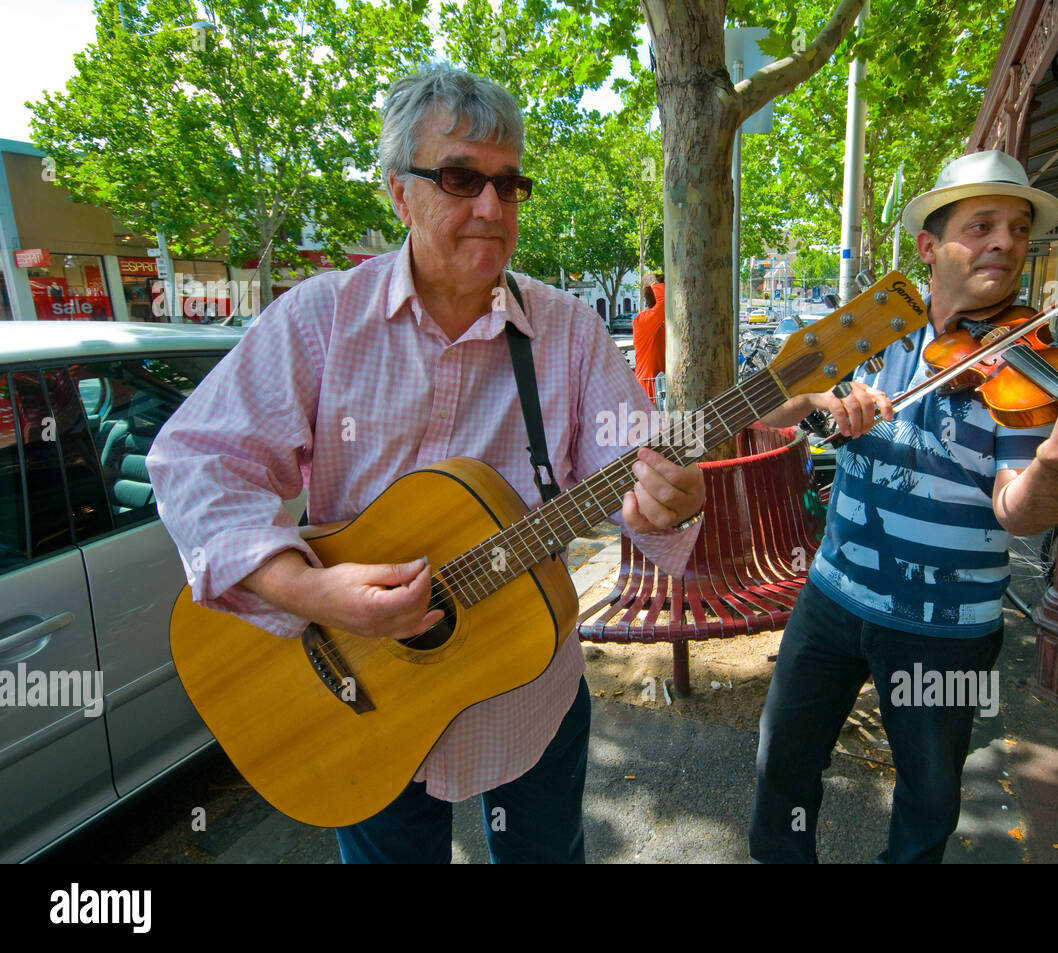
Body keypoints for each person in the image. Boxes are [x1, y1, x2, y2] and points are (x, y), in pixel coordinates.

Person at [146, 66, 705, 864]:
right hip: (363, 702)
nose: (491, 206)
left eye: (509, 185)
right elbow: (199, 462)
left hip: (527, 696)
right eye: (459, 177)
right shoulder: (321, 319)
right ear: (398, 194)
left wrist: (666, 503)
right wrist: (309, 591)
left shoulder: (571, 333)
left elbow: (634, 473)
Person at [747, 150, 1058, 863]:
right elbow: (765, 401)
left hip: (947, 627)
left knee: (928, 800)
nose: (1005, 241)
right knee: (782, 763)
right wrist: (819, 400)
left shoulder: (1033, 365)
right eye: (981, 225)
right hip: (834, 596)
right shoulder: (873, 324)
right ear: (928, 248)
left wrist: (1055, 471)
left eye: (1019, 229)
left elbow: (1018, 510)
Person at [633, 273, 666, 402]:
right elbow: (663, 303)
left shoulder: (661, 321)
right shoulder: (642, 321)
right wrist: (654, 283)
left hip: (660, 389)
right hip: (649, 391)